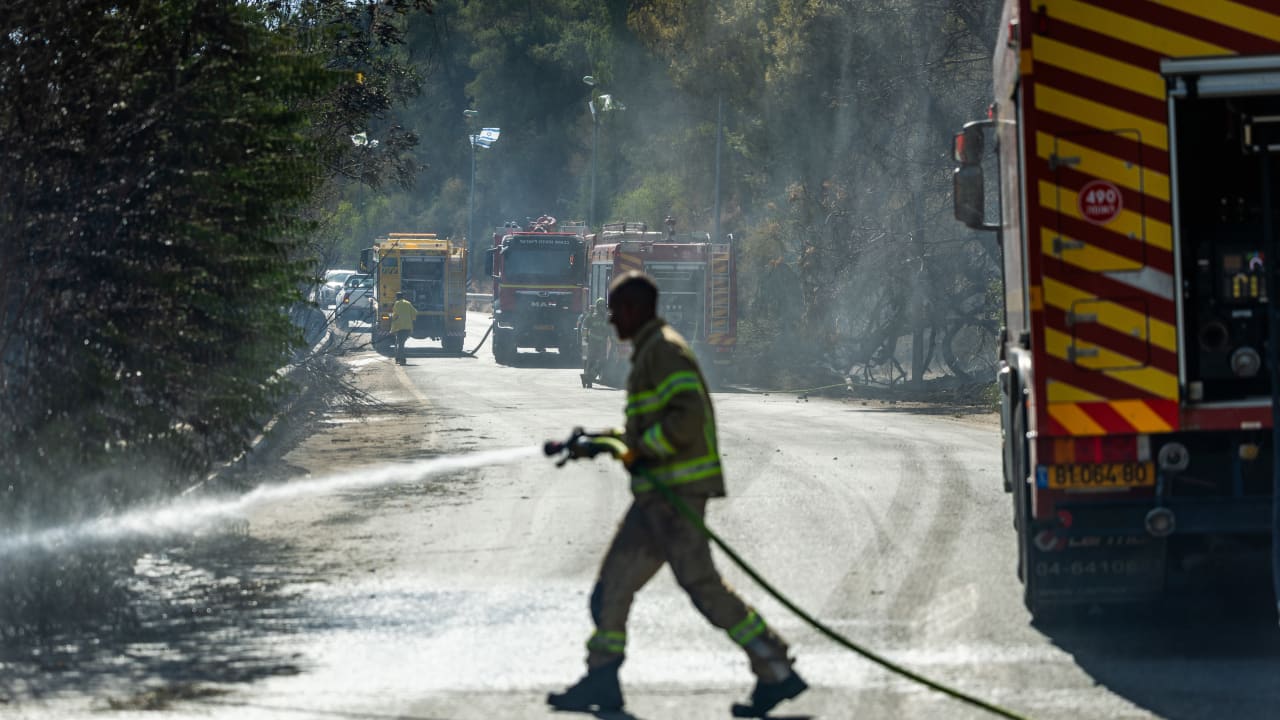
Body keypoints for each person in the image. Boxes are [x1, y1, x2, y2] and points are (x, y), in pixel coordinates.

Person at [548, 271, 806, 718]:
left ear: (635, 309)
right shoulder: (651, 352)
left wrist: (644, 451)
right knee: (612, 587)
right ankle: (602, 680)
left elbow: (685, 420)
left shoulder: (664, 353)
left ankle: (776, 669)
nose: (610, 320)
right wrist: (595, 441)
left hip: (675, 497)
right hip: (656, 499)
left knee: (703, 589)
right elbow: (646, 429)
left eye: (615, 310)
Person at [579, 297, 609, 388]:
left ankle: (587, 377)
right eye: (600, 306)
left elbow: (611, 330)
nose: (602, 308)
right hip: (593, 343)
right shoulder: (591, 317)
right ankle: (588, 379)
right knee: (591, 361)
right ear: (597, 306)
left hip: (602, 343)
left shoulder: (607, 318)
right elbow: (584, 327)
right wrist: (585, 337)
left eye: (603, 306)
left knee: (602, 361)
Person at [389, 291, 417, 365]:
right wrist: (412, 319)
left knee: (399, 344)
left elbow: (395, 315)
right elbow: (414, 313)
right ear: (403, 296)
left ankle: (401, 359)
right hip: (407, 327)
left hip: (399, 327)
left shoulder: (397, 303)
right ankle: (399, 359)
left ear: (396, 297)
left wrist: (392, 318)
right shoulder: (408, 303)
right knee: (401, 343)